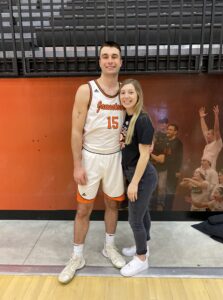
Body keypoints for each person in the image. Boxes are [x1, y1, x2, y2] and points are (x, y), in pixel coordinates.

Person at [58, 41, 126, 284]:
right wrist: (77, 165)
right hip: (91, 157)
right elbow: (76, 131)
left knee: (112, 204)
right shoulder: (86, 89)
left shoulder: (127, 90)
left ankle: (109, 247)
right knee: (83, 209)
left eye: (114, 56)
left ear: (121, 61)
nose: (110, 60)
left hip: (115, 157)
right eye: (105, 56)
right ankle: (77, 257)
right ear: (99, 61)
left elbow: (134, 122)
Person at [119, 79, 158, 277]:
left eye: (130, 92)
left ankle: (141, 258)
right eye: (123, 92)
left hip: (141, 176)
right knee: (142, 215)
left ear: (138, 95)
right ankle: (144, 245)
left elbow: (144, 155)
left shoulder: (142, 119)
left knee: (134, 219)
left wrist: (133, 183)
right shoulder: (128, 116)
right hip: (135, 173)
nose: (126, 96)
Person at [150, 117, 168, 211]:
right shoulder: (154, 134)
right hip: (152, 165)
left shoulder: (168, 137)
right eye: (161, 123)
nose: (163, 125)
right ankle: (150, 204)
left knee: (161, 187)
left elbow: (163, 157)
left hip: (162, 166)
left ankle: (160, 205)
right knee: (151, 186)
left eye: (165, 123)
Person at [164, 124, 183, 210]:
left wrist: (177, 171)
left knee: (170, 191)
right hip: (163, 170)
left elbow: (180, 157)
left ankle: (167, 210)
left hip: (172, 171)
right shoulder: (164, 141)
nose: (168, 131)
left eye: (171, 130)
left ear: (175, 132)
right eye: (168, 129)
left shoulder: (178, 143)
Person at [199, 105, 223, 170]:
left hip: (210, 169)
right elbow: (204, 130)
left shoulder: (217, 143)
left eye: (209, 134)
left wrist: (216, 116)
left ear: (214, 136)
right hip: (202, 168)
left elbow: (217, 130)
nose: (207, 135)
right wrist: (202, 118)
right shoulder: (208, 144)